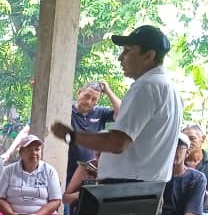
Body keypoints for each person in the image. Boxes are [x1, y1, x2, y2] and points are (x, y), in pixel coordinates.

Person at [51, 25, 182, 183]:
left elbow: (117, 142)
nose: (121, 57)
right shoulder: (170, 89)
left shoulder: (146, 86)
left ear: (149, 55)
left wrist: (70, 136)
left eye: (127, 51)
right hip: (148, 188)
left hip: (125, 190)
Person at [67, 81, 120, 186]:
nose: (89, 102)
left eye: (94, 99)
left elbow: (122, 112)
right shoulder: (66, 109)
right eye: (86, 96)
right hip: (67, 169)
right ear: (79, 93)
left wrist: (108, 91)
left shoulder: (100, 112)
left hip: (91, 173)